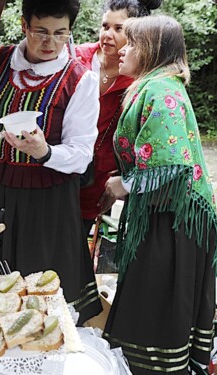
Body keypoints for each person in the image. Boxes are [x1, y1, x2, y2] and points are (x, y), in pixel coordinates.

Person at [0, 0, 101, 325]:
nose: (50, 42)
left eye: (60, 33)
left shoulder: (80, 80)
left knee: (34, 308)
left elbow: (81, 154)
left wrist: (45, 152)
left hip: (45, 206)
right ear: (24, 25)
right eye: (41, 32)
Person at [101, 15, 217, 374]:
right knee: (152, 309)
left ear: (152, 51)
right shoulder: (154, 85)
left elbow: (171, 164)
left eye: (133, 43)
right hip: (167, 217)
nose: (123, 49)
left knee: (154, 317)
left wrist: (124, 185)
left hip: (175, 226)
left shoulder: (161, 91)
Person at [76, 0, 161, 241]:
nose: (107, 35)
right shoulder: (77, 59)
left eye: (118, 29)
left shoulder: (140, 80)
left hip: (97, 180)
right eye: (105, 26)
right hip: (58, 168)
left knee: (76, 245)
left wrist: (122, 183)